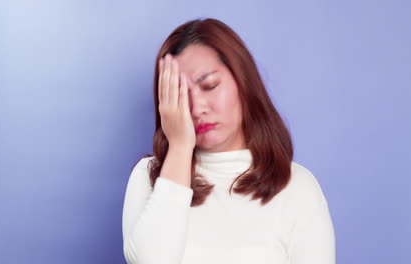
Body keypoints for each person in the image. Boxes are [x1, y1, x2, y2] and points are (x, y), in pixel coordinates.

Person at [122, 18, 335, 264]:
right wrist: (179, 147)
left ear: (243, 82)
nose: (197, 107)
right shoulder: (149, 177)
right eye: (180, 96)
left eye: (210, 86)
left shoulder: (297, 187)